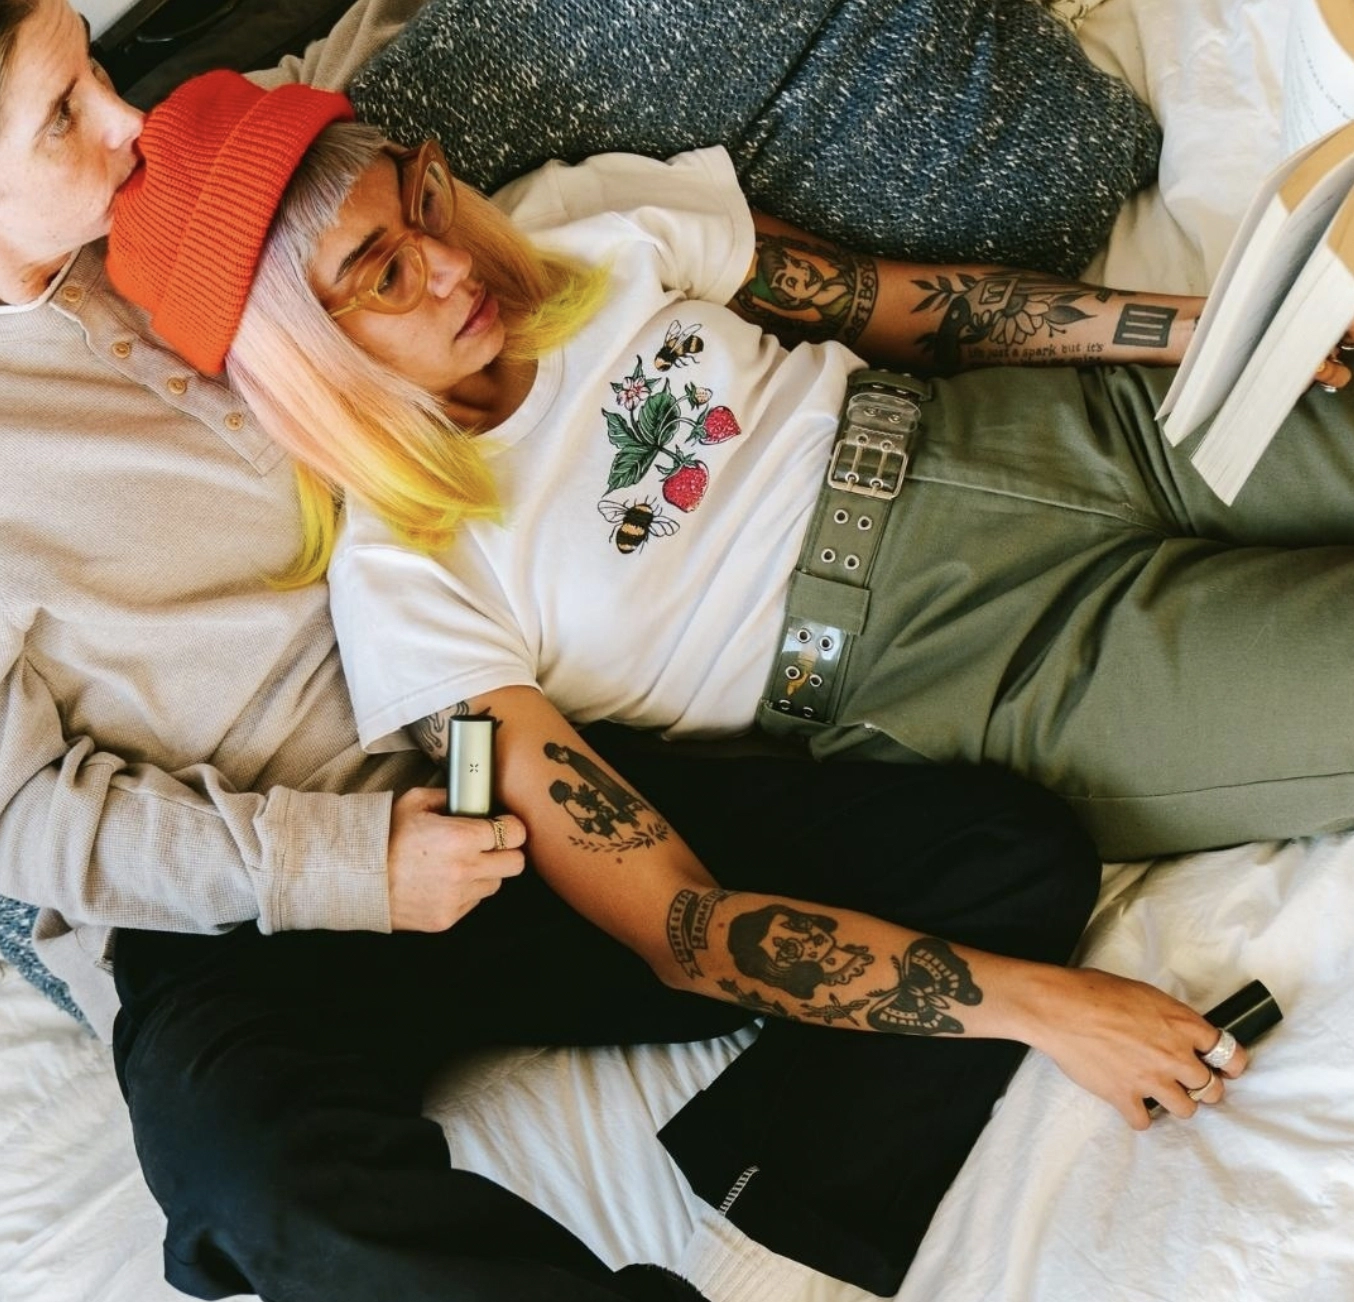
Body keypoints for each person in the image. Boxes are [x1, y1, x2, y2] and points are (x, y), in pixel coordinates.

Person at [0, 5, 1166, 1302]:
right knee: (251, 1184)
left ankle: (764, 1241)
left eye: (96, 69)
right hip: (239, 909)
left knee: (1001, 853)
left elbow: (368, 99)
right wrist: (344, 863)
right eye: (63, 114)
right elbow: (22, 818)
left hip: (501, 772)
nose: (127, 119)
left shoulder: (191, 187)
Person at [107, 74, 1262, 1146]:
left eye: (421, 199)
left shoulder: (580, 222)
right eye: (385, 275)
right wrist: (1045, 1007)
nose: (452, 263)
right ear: (304, 355)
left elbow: (891, 302)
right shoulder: (402, 585)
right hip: (977, 659)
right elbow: (674, 921)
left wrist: (1205, 328)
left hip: (1028, 430)